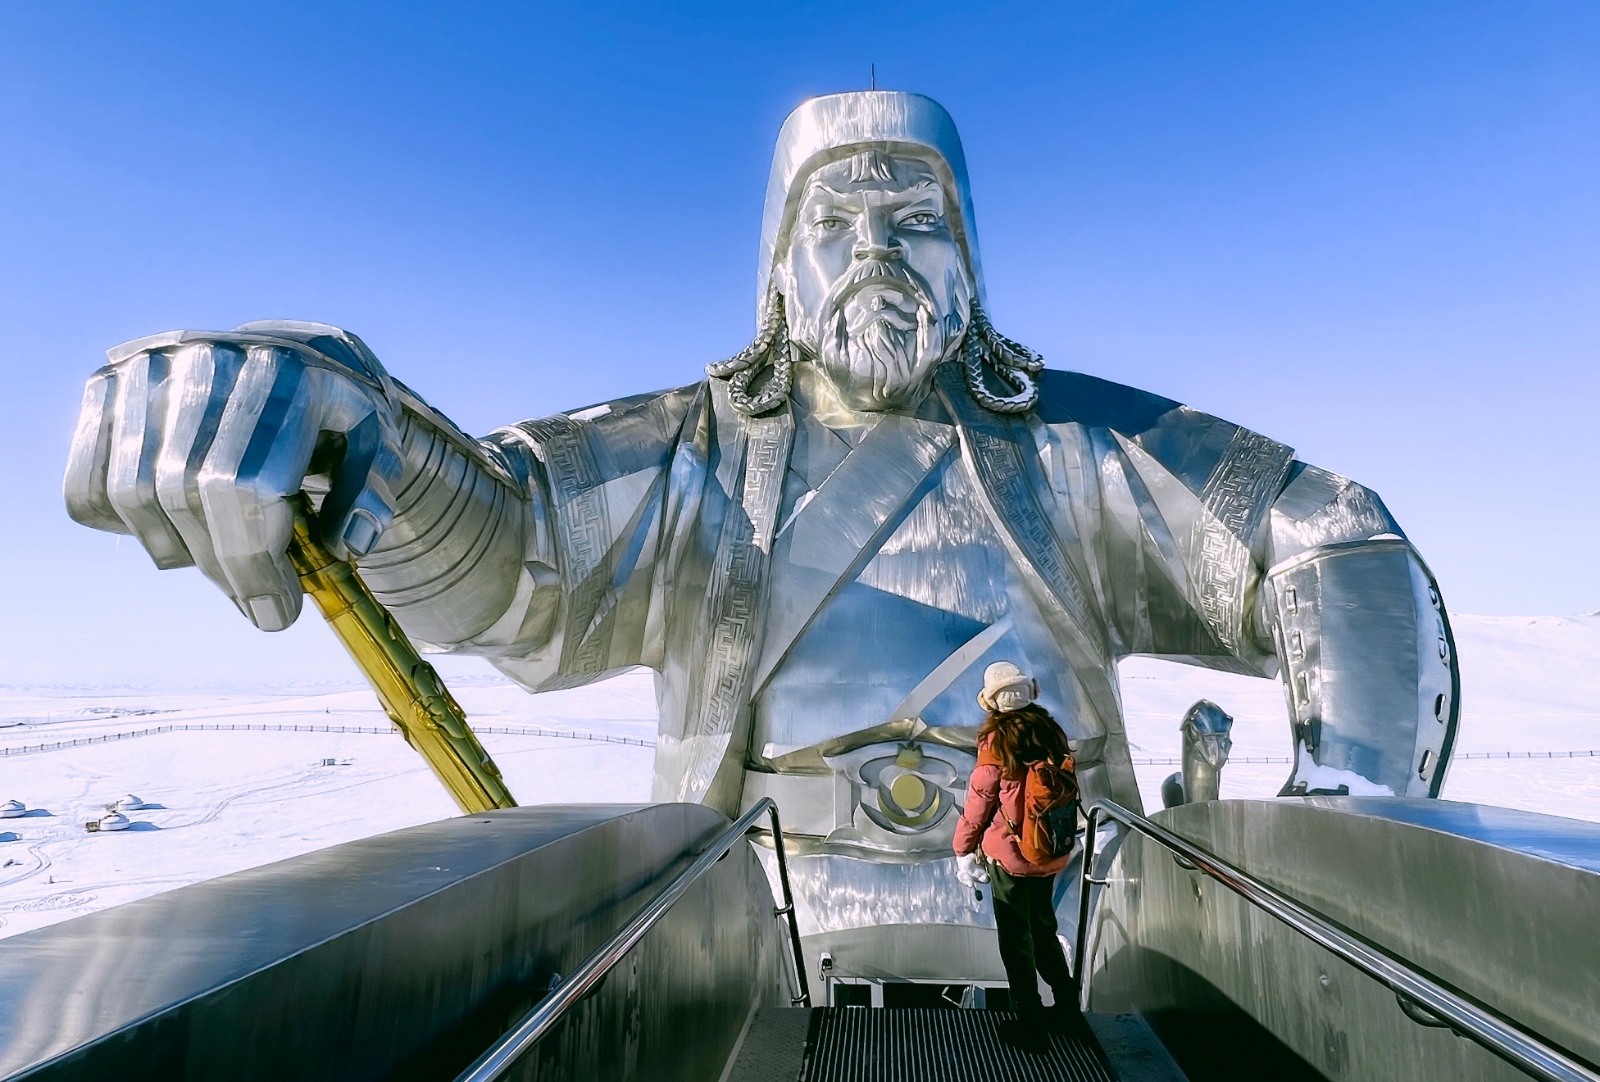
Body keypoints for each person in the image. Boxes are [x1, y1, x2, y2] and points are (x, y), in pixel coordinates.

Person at [64, 89, 1460, 986]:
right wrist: (344, 421)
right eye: (836, 222)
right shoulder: (688, 452)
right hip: (751, 955)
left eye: (919, 222)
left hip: (1078, 936)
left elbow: (1331, 537)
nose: (878, 253)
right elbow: (509, 554)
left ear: (972, 268)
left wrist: (1350, 819)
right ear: (777, 271)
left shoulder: (1082, 451)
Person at [954, 661, 1081, 1054]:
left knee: (1016, 940)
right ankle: (1068, 1011)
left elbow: (979, 801)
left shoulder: (997, 742)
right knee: (1044, 930)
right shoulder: (1051, 732)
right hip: (1048, 851)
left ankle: (1031, 1023)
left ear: (992, 703)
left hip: (1011, 858)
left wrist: (962, 849)